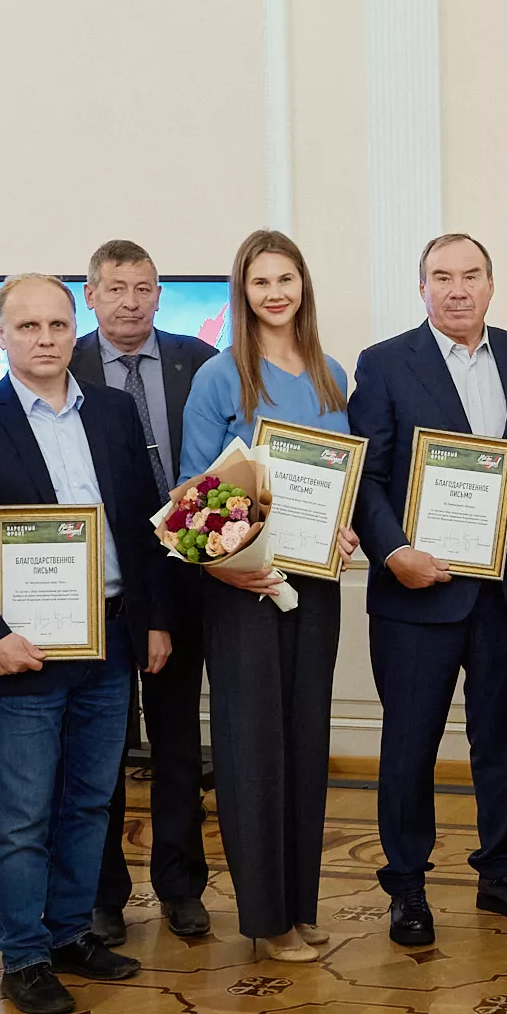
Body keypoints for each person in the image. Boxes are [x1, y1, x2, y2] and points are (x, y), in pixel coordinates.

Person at [0, 274, 169, 1014]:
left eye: (58, 325)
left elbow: (143, 526)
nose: (44, 338)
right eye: (27, 326)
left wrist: (155, 620)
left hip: (110, 637)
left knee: (91, 801)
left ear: (76, 330)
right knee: (22, 814)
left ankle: (70, 934)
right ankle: (24, 955)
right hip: (21, 649)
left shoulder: (115, 413)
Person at [351, 231, 507, 945]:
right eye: (442, 276)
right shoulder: (383, 364)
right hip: (416, 593)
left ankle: (500, 872)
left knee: (502, 744)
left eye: (471, 275)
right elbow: (369, 477)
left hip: (504, 593)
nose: (458, 289)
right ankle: (407, 886)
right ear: (423, 288)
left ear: (491, 285)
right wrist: (394, 553)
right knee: (410, 746)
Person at [180, 229, 357, 962]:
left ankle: (299, 905)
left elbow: (341, 478)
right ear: (243, 292)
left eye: (286, 279)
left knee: (305, 743)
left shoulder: (331, 372)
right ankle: (266, 917)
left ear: (303, 285)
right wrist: (226, 567)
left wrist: (343, 526)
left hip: (316, 586)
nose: (275, 293)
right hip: (244, 588)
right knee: (254, 750)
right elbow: (193, 493)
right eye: (261, 282)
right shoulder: (219, 377)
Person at [74, 239, 216, 945]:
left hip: (185, 576)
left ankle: (181, 887)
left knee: (178, 745)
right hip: (96, 582)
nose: (131, 303)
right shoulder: (63, 363)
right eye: (116, 288)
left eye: (144, 288)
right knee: (98, 748)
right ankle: (103, 895)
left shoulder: (203, 361)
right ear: (91, 295)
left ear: (160, 294)